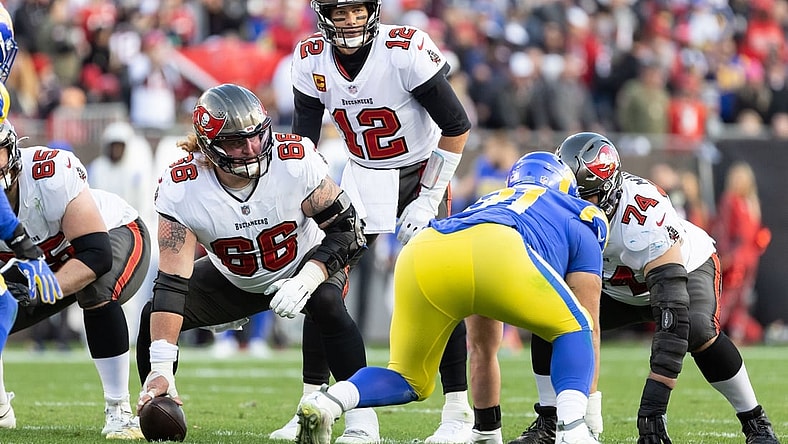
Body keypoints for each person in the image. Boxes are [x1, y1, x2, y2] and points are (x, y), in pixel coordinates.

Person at [293, 151, 608, 444]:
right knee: (575, 326)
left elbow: (482, 345)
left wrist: (488, 432)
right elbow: (589, 323)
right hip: (500, 250)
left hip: (425, 249)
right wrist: (588, 406)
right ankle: (573, 429)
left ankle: (329, 401)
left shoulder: (489, 200)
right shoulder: (576, 211)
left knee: (407, 378)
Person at [278, 1, 473, 442]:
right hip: (362, 174)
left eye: (357, 10)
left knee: (440, 285)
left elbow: (457, 125)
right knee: (322, 281)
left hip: (421, 170)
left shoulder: (404, 48)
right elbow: (302, 146)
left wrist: (426, 198)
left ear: (374, 11)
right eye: (339, 12)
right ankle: (313, 402)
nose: (349, 20)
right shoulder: (310, 58)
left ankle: (458, 411)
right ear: (323, 15)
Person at [134, 84, 372, 443]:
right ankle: (158, 405)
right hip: (236, 276)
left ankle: (362, 425)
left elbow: (351, 231)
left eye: (256, 137)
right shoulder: (182, 187)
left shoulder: (292, 162)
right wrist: (162, 367)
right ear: (209, 146)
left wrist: (307, 279)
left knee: (325, 302)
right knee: (154, 314)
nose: (251, 149)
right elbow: (171, 283)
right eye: (235, 142)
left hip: (303, 261)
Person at [509, 132, 780, 444]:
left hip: (685, 268)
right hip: (616, 286)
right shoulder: (563, 212)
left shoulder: (642, 215)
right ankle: (549, 421)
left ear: (608, 190)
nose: (575, 206)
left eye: (584, 197)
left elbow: (673, 315)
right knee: (550, 316)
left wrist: (654, 406)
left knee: (696, 330)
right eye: (569, 196)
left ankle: (755, 420)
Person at [0, 118, 151, 439]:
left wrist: (37, 290)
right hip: (42, 264)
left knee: (95, 288)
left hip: (112, 234)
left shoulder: (48, 173)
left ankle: (119, 410)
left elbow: (96, 255)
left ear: (11, 149)